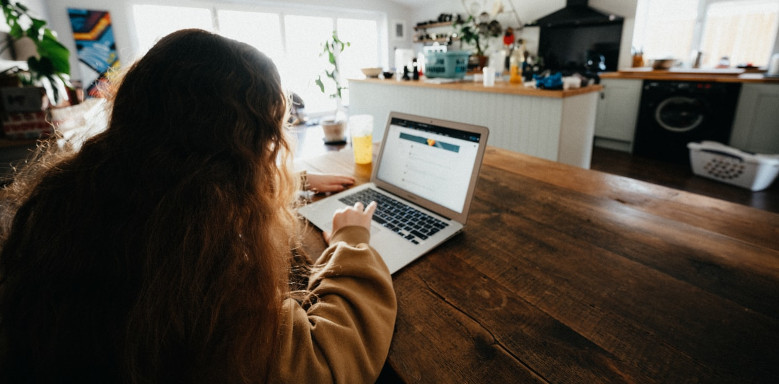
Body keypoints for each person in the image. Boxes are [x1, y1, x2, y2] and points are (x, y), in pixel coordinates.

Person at [0, 29, 396, 383]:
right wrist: (352, 243)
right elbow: (323, 364)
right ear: (241, 151)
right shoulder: (196, 269)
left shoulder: (73, 199)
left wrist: (297, 183)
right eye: (268, 137)